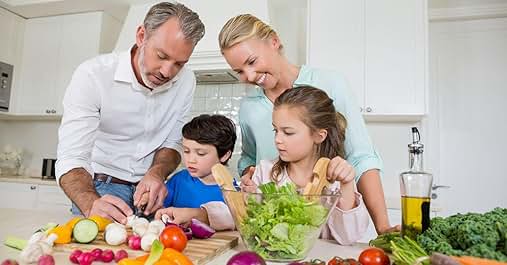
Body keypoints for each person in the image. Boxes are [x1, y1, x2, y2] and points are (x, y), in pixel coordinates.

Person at [219, 14, 399, 234]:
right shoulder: (249, 107)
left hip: (326, 224)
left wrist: (383, 227)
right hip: (276, 228)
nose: (249, 75)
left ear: (274, 42)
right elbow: (249, 157)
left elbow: (361, 158)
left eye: (252, 61)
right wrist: (254, 180)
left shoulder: (330, 83)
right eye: (239, 71)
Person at [55, 2, 205, 224]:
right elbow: (72, 157)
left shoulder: (186, 81)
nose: (167, 71)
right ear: (141, 35)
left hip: (151, 193)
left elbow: (172, 143)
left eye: (179, 64)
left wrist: (157, 173)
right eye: (161, 56)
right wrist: (90, 202)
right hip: (100, 189)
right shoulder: (93, 75)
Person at [246, 86, 368, 244]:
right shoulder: (265, 171)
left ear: (319, 135)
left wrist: (347, 185)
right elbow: (252, 229)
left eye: (288, 132)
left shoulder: (337, 177)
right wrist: (248, 198)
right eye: (275, 130)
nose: (278, 139)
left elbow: (348, 238)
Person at [154, 114, 236, 231]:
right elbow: (158, 208)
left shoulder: (232, 191)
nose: (190, 160)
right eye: (186, 151)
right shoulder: (179, 180)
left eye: (201, 153)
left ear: (224, 155)